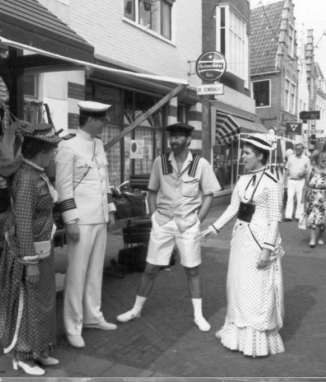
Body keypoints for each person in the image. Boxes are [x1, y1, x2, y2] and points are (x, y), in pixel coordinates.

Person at [116, 122, 221, 332]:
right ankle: (136, 309)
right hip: (163, 222)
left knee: (192, 270)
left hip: (188, 223)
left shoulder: (200, 164)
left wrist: (198, 220)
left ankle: (198, 315)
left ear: (188, 140)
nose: (173, 140)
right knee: (150, 268)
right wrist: (154, 217)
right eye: (172, 137)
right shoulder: (161, 161)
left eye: (178, 136)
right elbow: (152, 192)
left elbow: (209, 195)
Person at [200, 133, 285, 357]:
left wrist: (267, 249)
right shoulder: (242, 180)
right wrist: (213, 228)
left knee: (257, 289)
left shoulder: (273, 183)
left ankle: (254, 339)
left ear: (260, 155)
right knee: (237, 285)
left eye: (247, 153)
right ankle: (235, 331)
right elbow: (233, 208)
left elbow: (274, 218)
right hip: (240, 240)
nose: (242, 157)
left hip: (259, 242)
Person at [0, 123, 61, 376]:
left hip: (42, 248)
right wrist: (30, 262)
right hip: (28, 252)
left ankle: (39, 348)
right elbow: (23, 223)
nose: (54, 155)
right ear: (41, 152)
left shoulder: (36, 173)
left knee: (43, 300)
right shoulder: (26, 178)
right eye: (52, 151)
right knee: (28, 302)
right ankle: (22, 354)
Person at [55, 101, 117, 349]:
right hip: (80, 220)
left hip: (99, 217)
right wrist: (70, 220)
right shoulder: (67, 145)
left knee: (94, 272)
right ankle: (73, 326)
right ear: (91, 120)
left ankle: (93, 316)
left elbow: (104, 180)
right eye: (101, 120)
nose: (104, 125)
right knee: (76, 275)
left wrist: (110, 209)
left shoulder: (98, 144)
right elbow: (63, 186)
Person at [302, 150, 326, 248]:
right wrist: (303, 199)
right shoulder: (311, 171)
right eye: (323, 159)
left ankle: (320, 237)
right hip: (312, 198)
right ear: (317, 160)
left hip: (324, 199)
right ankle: (312, 239)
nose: (325, 161)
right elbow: (306, 185)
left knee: (323, 220)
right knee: (312, 218)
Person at [284, 143, 310, 221]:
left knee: (300, 198)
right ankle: (288, 216)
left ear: (302, 150)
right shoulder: (291, 157)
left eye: (299, 149)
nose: (297, 150)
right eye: (296, 149)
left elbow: (309, 170)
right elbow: (287, 168)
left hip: (301, 181)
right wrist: (285, 179)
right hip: (291, 180)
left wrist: (304, 173)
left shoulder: (306, 159)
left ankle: (298, 216)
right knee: (290, 198)